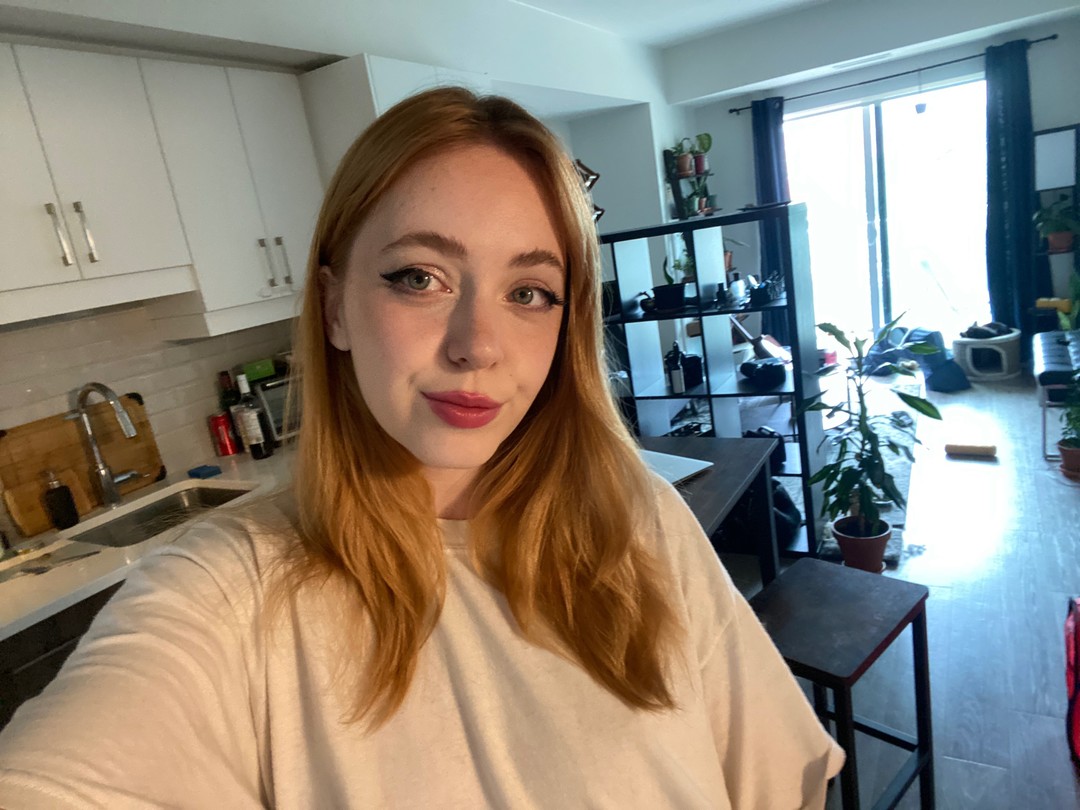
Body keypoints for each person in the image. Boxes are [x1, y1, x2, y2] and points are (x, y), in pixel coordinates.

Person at [0, 87, 843, 808]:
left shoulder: (638, 521)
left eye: (529, 291)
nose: (477, 345)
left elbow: (779, 783)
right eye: (419, 278)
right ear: (334, 307)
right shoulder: (230, 590)